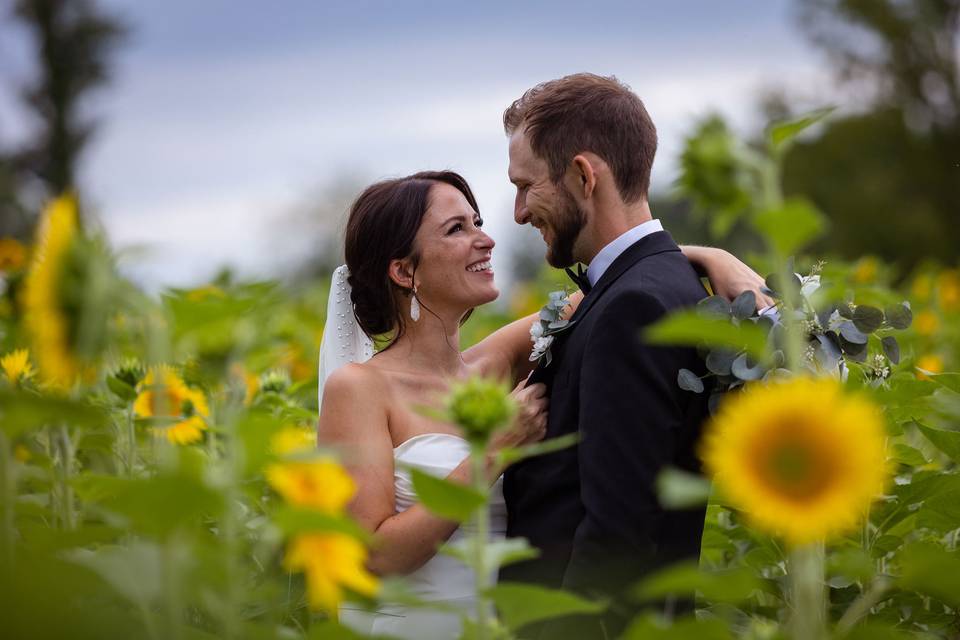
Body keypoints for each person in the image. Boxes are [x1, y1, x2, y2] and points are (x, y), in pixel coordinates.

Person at [317, 170, 768, 639]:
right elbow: (373, 555)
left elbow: (615, 283)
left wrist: (709, 257)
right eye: (457, 229)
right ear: (404, 270)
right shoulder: (360, 387)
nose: (486, 239)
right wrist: (492, 452)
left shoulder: (492, 363)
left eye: (476, 222)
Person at [499, 74, 760, 638]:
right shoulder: (653, 285)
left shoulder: (632, 305)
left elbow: (616, 534)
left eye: (526, 186)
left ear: (583, 175)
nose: (519, 212)